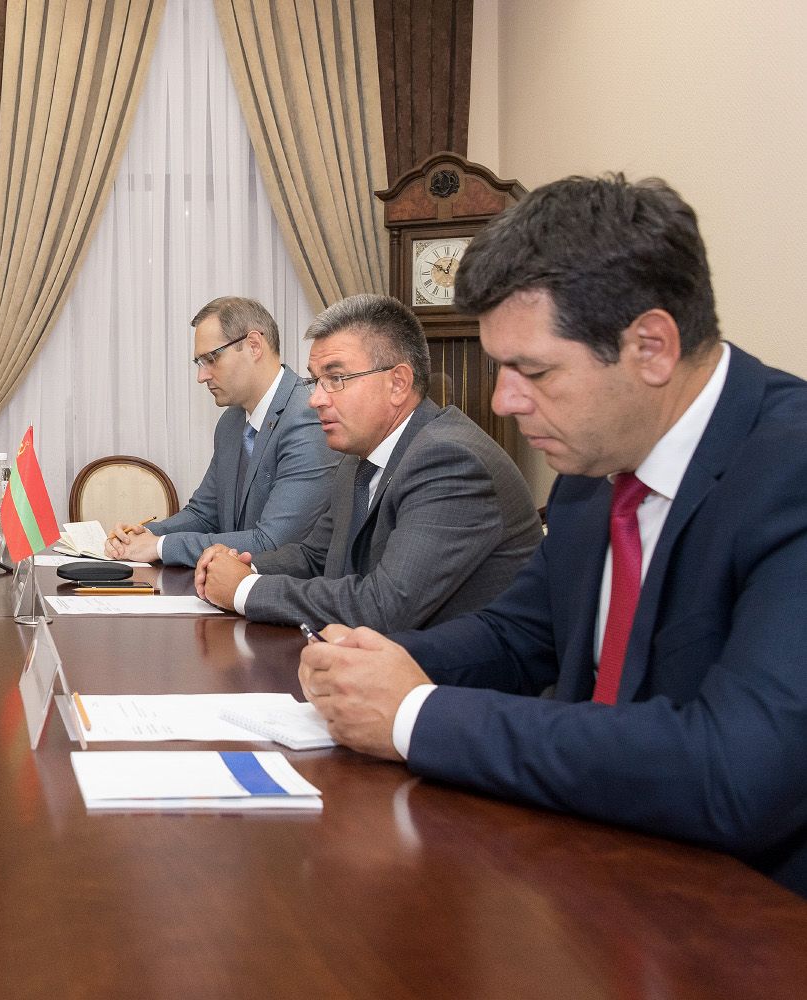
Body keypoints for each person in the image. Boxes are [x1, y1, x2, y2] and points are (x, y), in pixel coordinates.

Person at [299, 175, 807, 897]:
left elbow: (735, 770)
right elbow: (520, 636)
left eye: (532, 371)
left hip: (748, 910)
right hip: (590, 871)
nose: (504, 400)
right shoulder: (594, 462)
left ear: (651, 347)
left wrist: (416, 715)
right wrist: (370, 662)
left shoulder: (791, 470)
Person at [195, 294, 541, 632]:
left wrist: (244, 589)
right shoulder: (359, 457)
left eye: (336, 379)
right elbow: (315, 557)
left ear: (398, 383)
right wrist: (242, 565)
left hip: (452, 667)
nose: (316, 399)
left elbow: (385, 607)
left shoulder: (449, 461)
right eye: (316, 381)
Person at [105, 296, 337, 566]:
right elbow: (204, 514)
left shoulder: (308, 418)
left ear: (253, 345)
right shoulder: (231, 422)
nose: (201, 376)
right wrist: (146, 534)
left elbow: (272, 542)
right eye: (199, 363)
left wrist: (160, 546)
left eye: (211, 358)